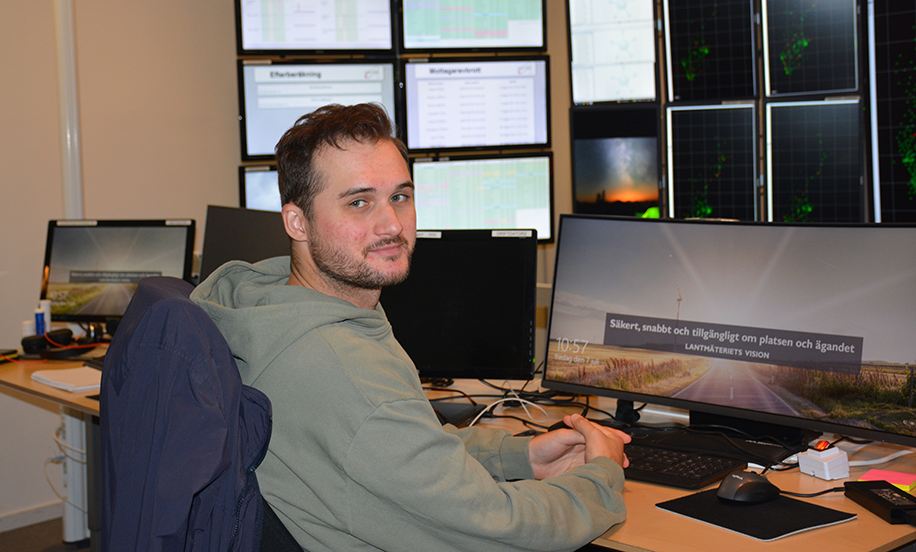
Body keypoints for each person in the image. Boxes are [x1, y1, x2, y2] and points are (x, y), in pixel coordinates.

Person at [191, 103, 630, 552]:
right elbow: (498, 528)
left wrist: (521, 456)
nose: (393, 224)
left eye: (400, 196)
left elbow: (403, 449)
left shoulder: (269, 304)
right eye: (359, 202)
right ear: (297, 222)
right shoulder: (343, 373)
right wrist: (602, 475)